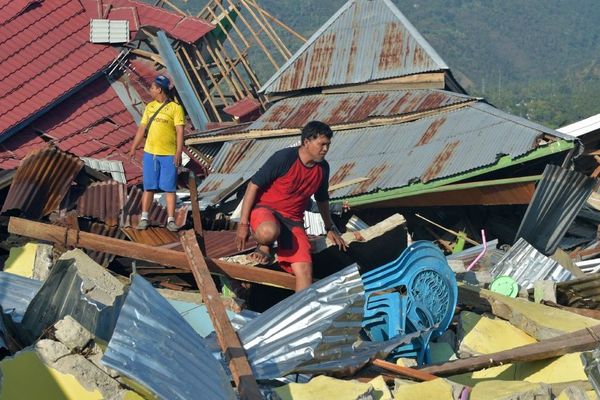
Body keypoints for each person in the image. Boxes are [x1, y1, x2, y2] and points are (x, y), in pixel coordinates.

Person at [236, 121, 347, 292]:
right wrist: (243, 224)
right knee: (268, 232)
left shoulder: (322, 169)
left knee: (304, 270)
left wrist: (329, 227)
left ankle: (302, 312)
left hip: (293, 221)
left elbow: (322, 199)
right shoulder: (284, 158)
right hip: (266, 211)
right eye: (321, 144)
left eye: (328, 145)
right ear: (306, 142)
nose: (325, 149)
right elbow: (253, 186)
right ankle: (264, 246)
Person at [128, 75, 184, 232]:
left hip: (169, 154)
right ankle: (144, 217)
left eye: (153, 88)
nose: (151, 90)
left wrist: (178, 152)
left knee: (169, 188)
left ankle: (171, 220)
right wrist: (134, 147)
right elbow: (142, 128)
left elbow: (180, 131)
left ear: (159, 89)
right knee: (149, 187)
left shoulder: (175, 108)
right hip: (150, 153)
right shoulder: (149, 107)